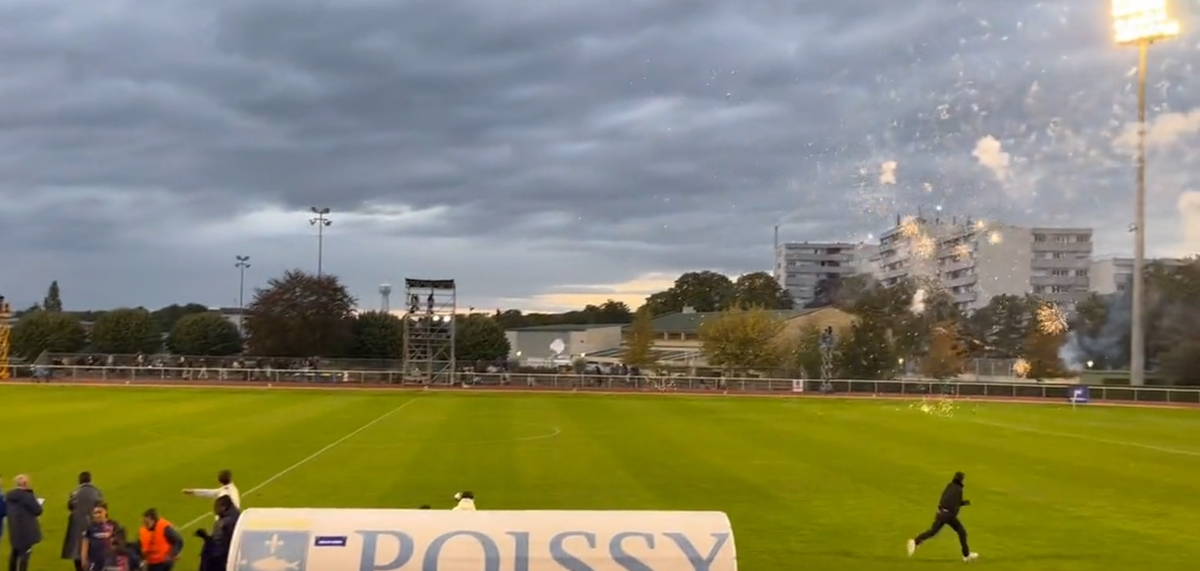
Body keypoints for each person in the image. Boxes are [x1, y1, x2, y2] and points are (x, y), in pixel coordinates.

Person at [907, 471, 979, 562]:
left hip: (941, 512)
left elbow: (946, 499)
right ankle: (966, 555)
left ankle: (915, 541)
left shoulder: (950, 486)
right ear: (961, 480)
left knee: (933, 531)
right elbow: (955, 504)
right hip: (949, 515)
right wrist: (959, 507)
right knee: (962, 532)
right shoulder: (959, 490)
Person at [65, 472, 105, 571]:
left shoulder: (74, 492)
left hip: (76, 526)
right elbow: (102, 507)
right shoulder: (97, 492)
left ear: (79, 481)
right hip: (93, 524)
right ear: (90, 480)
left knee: (77, 550)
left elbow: (70, 506)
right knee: (93, 550)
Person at [5, 475, 44, 571]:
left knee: (15, 551)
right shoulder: (27, 496)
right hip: (26, 531)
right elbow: (37, 510)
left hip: (14, 529)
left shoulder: (9, 496)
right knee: (25, 554)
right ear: (25, 484)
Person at [195, 496, 240, 571]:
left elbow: (223, 544)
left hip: (218, 559)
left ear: (223, 507)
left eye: (216, 507)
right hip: (217, 557)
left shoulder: (228, 522)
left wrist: (207, 540)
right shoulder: (227, 518)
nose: (215, 510)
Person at [80, 503, 116, 571]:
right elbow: (85, 543)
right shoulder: (90, 528)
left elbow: (120, 543)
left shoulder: (113, 525)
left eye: (100, 512)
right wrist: (84, 559)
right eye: (95, 513)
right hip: (95, 563)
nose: (97, 515)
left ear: (106, 512)